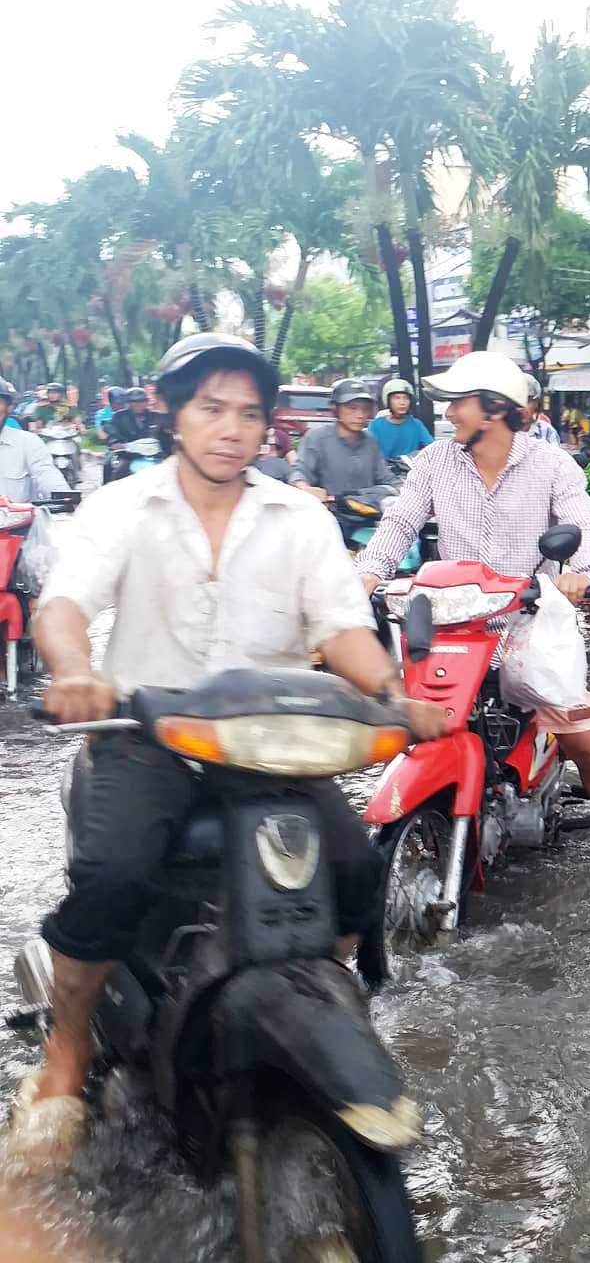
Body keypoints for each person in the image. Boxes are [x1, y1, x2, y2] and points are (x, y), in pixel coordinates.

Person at [10, 333, 445, 1167]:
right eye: (211, 407)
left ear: (266, 428)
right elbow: (63, 605)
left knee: (355, 869)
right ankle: (65, 1054)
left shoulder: (299, 517)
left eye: (248, 413)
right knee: (112, 879)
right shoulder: (123, 509)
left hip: (269, 747)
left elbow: (342, 627)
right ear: (175, 414)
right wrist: (75, 674)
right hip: (144, 737)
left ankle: (316, 995)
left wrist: (393, 695)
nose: (230, 428)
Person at [356, 351, 590, 847]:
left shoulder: (551, 464)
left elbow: (584, 524)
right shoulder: (435, 461)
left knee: (578, 732)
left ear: (492, 409)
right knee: (417, 721)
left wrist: (579, 573)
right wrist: (367, 576)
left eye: (457, 404)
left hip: (529, 618)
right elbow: (400, 522)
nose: (447, 415)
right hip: (453, 623)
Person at [290, 377, 397, 501]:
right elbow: (300, 472)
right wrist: (305, 489)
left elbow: (386, 478)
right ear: (335, 409)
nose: (360, 415)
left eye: (365, 409)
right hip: (330, 512)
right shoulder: (317, 438)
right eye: (352, 408)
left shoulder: (370, 441)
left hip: (367, 513)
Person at [0, 378, 71, 503]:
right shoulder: (40, 409)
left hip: (19, 521)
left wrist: (65, 499)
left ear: (8, 407)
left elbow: (47, 475)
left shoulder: (29, 443)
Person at [368, 377, 433, 460]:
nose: (402, 402)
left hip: (411, 469)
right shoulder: (376, 425)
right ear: (388, 400)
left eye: (405, 398)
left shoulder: (416, 424)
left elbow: (431, 447)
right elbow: (369, 453)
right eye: (397, 398)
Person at [524, 377, 560, 446]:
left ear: (536, 403)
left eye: (527, 401)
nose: (521, 407)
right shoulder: (501, 430)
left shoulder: (547, 431)